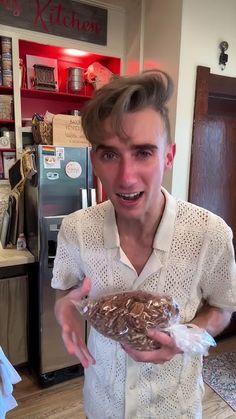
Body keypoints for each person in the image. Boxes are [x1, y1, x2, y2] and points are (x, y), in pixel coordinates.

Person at [51, 69, 236, 419]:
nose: (126, 177)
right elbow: (66, 288)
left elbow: (223, 307)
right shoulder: (76, 229)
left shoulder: (211, 234)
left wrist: (186, 339)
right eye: (110, 155)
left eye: (143, 153)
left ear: (169, 156)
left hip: (175, 409)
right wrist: (62, 307)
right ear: (94, 159)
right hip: (102, 405)